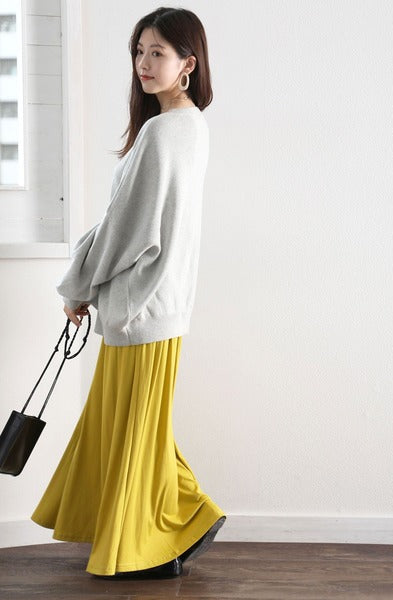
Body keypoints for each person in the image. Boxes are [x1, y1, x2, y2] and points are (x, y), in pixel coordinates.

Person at [30, 7, 226, 580]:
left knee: (134, 432)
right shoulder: (190, 126)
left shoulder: (164, 133)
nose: (144, 62)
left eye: (158, 52)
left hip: (141, 309)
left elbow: (127, 230)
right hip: (161, 308)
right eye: (139, 50)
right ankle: (184, 519)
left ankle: (162, 539)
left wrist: (78, 285)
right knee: (139, 429)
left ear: (188, 63)